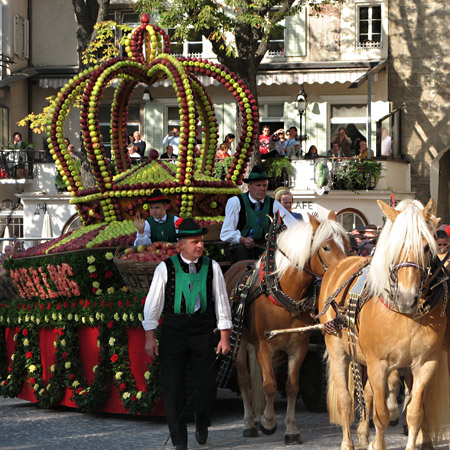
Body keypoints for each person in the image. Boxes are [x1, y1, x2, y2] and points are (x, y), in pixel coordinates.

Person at [142, 218, 232, 450]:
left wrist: (224, 337)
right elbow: (153, 304)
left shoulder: (212, 267)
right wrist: (150, 336)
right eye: (194, 242)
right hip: (174, 332)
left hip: (203, 331)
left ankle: (202, 420)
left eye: (201, 241)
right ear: (181, 244)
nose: (200, 246)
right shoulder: (165, 268)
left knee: (206, 387)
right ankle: (179, 441)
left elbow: (222, 303)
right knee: (174, 388)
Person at [220, 166, 298, 261]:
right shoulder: (236, 202)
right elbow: (225, 233)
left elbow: (292, 223)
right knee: (242, 250)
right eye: (258, 185)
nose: (262, 188)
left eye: (264, 185)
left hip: (263, 247)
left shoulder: (273, 204)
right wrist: (242, 239)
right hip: (239, 247)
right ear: (249, 187)